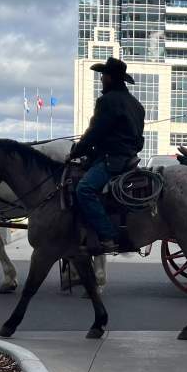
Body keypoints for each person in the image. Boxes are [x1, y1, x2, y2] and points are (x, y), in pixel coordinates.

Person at [71, 56, 146, 255]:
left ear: (111, 78)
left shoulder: (107, 101)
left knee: (84, 189)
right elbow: (139, 140)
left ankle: (108, 235)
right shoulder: (137, 105)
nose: (101, 79)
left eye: (103, 75)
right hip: (130, 158)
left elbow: (95, 132)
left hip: (112, 160)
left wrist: (77, 151)